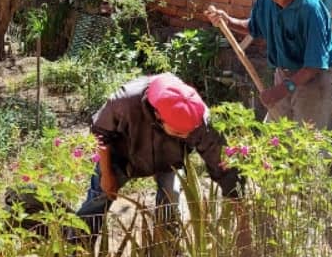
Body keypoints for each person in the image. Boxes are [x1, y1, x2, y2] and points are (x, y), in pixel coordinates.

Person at [76, 73, 241, 236]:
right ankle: (75, 247)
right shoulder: (124, 102)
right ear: (158, 116)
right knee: (98, 200)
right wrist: (106, 175)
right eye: (179, 132)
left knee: (171, 198)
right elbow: (100, 135)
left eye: (189, 133)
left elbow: (220, 162)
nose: (186, 136)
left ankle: (167, 248)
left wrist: (238, 203)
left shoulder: (197, 117)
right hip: (122, 154)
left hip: (169, 159)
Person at [206, 0, 332, 127]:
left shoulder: (310, 9)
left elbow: (313, 66)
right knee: (275, 138)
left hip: (314, 80)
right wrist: (228, 21)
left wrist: (281, 90)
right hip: (284, 74)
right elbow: (254, 26)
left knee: (308, 143)